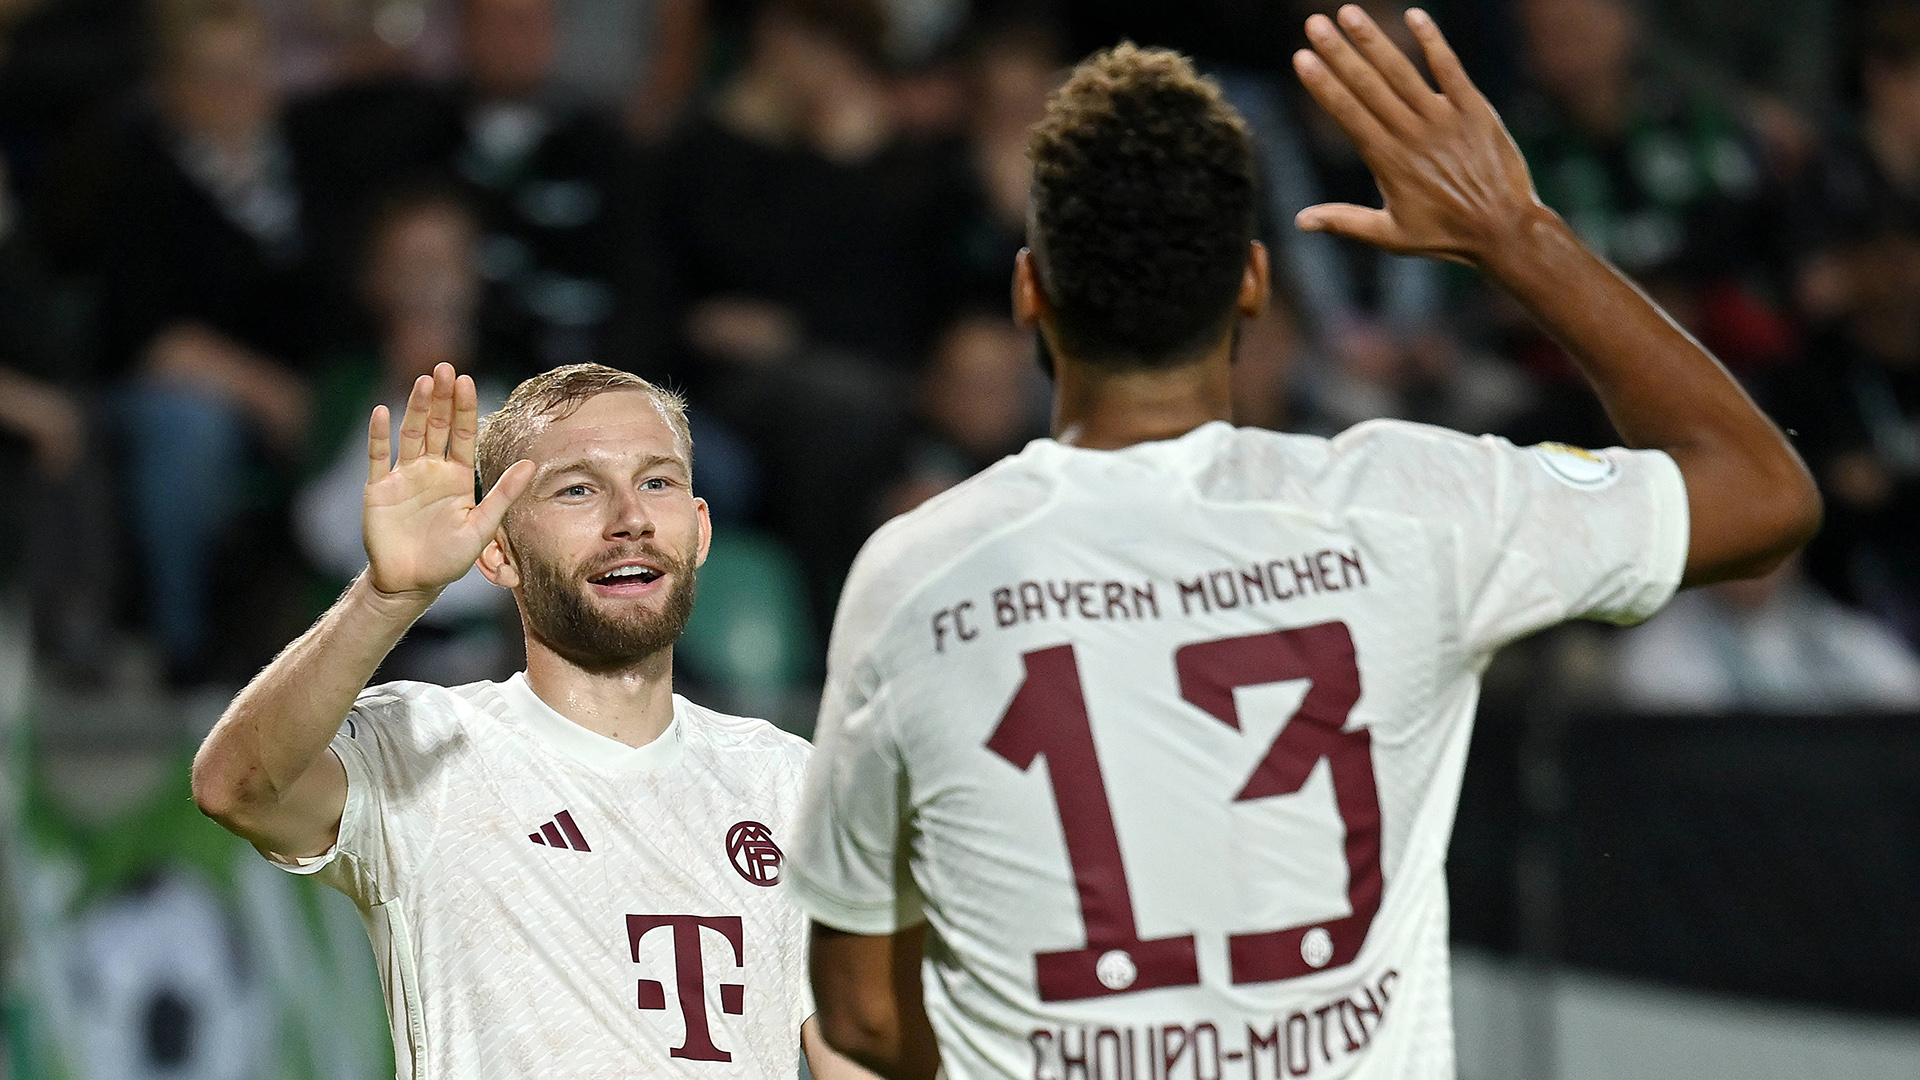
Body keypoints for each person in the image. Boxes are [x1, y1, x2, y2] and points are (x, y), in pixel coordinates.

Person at [788, 8, 1820, 1080]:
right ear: (1253, 281)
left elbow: (860, 1019)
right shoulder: (1411, 506)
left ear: (1028, 291)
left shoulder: (922, 572)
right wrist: (1517, 234)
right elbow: (1762, 494)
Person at [191, 362, 874, 1077]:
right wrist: (387, 597)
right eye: (578, 489)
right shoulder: (427, 748)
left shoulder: (786, 781)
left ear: (699, 531)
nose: (631, 518)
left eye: (658, 482)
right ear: (498, 551)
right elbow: (236, 788)